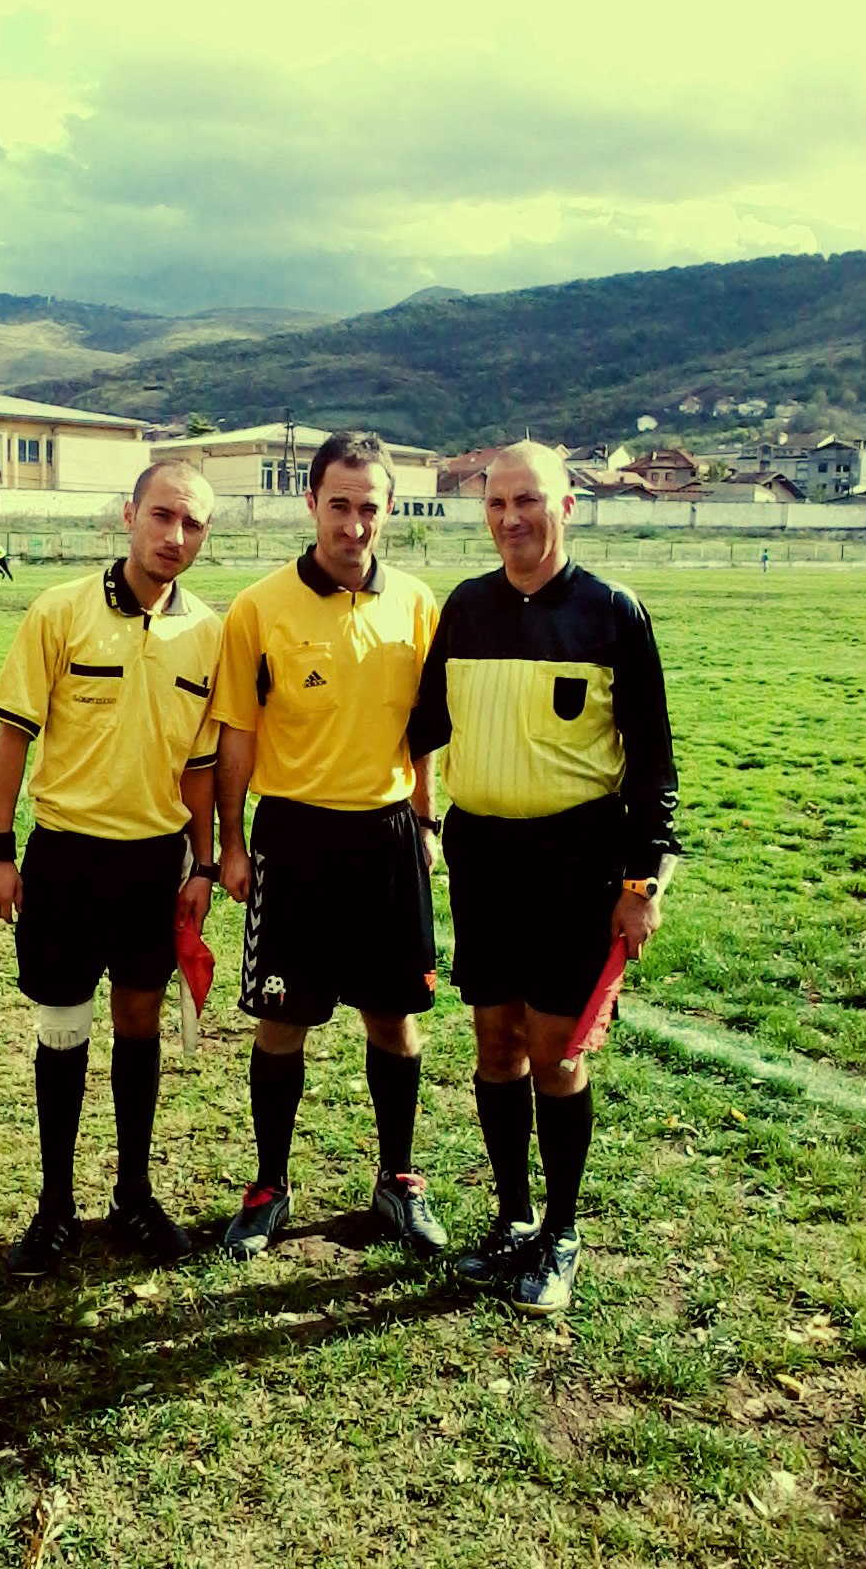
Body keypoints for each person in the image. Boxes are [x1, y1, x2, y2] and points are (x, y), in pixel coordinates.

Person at [409, 440, 679, 1316]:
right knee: (495, 1041)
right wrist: (418, 821)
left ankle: (562, 1233)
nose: (511, 518)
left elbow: (654, 768)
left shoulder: (612, 612)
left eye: (529, 500)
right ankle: (515, 1219)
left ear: (569, 506)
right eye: (496, 504)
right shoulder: (466, 608)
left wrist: (642, 886)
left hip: (576, 860)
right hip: (483, 857)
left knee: (557, 1053)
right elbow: (419, 729)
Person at [0, 460, 222, 1275]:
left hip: (156, 865)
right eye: (162, 516)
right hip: (67, 859)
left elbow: (201, 768)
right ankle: (54, 1208)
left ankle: (134, 1194)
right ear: (129, 515)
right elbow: (13, 733)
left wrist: (203, 863)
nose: (174, 536)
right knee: (62, 1026)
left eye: (192, 524)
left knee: (139, 1022)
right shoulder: (61, 611)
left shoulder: (208, 633)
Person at [212, 430, 447, 1261]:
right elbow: (237, 737)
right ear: (310, 503)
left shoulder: (419, 604)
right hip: (294, 837)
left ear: (390, 511)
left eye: (369, 507)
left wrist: (425, 821)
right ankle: (270, 1185)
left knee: (396, 1018)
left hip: (386, 839)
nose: (354, 524)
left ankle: (399, 1178)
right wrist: (230, 846)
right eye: (338, 505)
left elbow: (425, 731)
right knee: (283, 1021)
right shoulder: (259, 607)